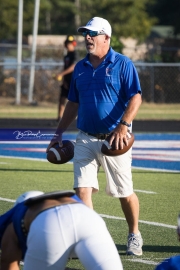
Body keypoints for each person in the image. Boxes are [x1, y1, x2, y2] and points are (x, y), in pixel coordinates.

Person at [47, 17, 143, 256]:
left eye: (92, 33)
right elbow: (72, 103)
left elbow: (136, 97)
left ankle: (134, 234)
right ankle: (91, 240)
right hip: (85, 137)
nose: (87, 37)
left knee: (124, 192)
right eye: (85, 33)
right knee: (82, 191)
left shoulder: (123, 63)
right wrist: (58, 133)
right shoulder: (80, 67)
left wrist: (124, 125)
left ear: (106, 37)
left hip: (115, 140)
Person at [0, 190, 123, 270]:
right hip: (87, 216)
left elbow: (8, 264)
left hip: (48, 222)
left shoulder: (15, 216)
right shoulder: (68, 199)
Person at [55, 35, 77, 121]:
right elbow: (65, 67)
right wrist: (63, 79)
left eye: (70, 43)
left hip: (73, 81)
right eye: (67, 43)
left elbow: (73, 66)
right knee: (62, 99)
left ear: (74, 44)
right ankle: (59, 118)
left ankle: (74, 118)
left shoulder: (75, 55)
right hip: (66, 81)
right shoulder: (66, 56)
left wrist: (61, 74)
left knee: (74, 102)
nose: (69, 45)